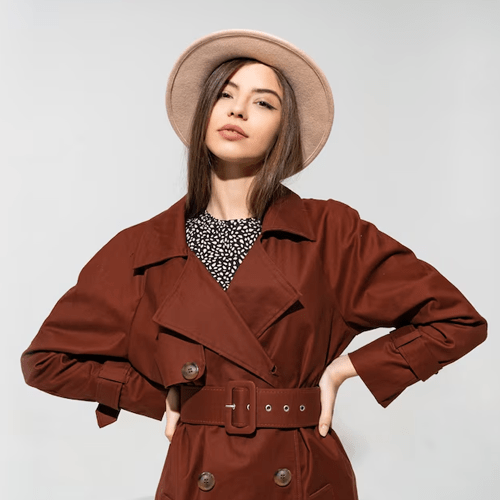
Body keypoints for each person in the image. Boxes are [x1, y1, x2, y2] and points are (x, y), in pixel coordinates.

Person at [20, 29, 487, 500]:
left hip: (300, 477)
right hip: (197, 473)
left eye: (263, 103)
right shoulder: (144, 249)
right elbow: (46, 361)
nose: (238, 110)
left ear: (283, 131)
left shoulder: (330, 234)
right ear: (204, 111)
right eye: (225, 95)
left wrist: (345, 369)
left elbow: (456, 320)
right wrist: (161, 394)